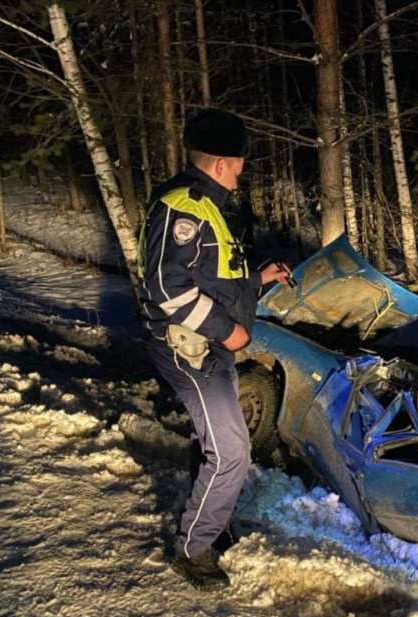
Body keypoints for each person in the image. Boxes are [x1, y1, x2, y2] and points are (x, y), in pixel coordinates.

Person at [136, 108, 291, 589]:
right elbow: (167, 288)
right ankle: (193, 548)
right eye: (240, 160)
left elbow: (210, 279)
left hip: (207, 346)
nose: (243, 168)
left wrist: (255, 280)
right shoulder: (184, 207)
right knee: (231, 453)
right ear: (222, 162)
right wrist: (229, 331)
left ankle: (212, 520)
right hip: (192, 349)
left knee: (218, 446)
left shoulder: (203, 204)